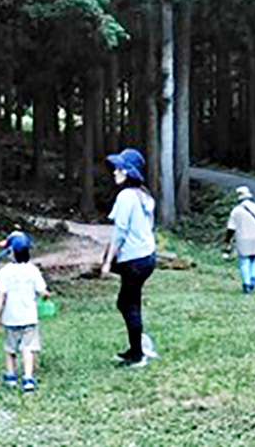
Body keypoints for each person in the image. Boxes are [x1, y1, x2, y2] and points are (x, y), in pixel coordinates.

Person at [101, 148, 156, 368]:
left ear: (128, 172)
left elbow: (120, 232)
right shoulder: (144, 195)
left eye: (119, 168)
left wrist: (107, 262)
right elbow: (149, 227)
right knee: (129, 302)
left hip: (134, 260)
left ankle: (138, 354)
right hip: (146, 257)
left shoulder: (126, 196)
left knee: (128, 303)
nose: (115, 172)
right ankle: (138, 347)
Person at [0, 231, 50, 392]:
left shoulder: (4, 271)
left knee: (10, 349)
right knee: (28, 348)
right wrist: (46, 296)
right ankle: (28, 378)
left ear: (11, 252)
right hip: (29, 317)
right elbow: (42, 291)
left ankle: (11, 377)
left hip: (10, 317)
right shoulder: (33, 270)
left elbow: (0, 295)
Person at [224, 186, 255, 294]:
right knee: (254, 258)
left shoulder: (236, 211)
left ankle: (246, 283)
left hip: (243, 238)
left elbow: (231, 228)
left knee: (244, 260)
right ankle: (253, 280)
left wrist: (227, 240)